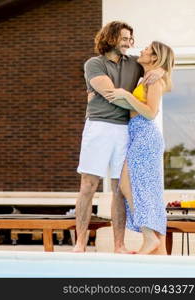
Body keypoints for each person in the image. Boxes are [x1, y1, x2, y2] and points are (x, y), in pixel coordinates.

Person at [73, 21, 162, 253]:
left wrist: (160, 70)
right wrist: (115, 95)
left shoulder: (134, 64)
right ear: (111, 38)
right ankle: (80, 242)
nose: (129, 43)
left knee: (118, 189)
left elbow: (162, 73)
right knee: (88, 185)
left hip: (124, 130)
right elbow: (110, 94)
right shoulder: (94, 64)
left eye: (130, 39)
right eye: (124, 38)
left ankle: (119, 245)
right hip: (99, 127)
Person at [104, 41, 174, 254]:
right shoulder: (148, 75)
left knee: (127, 185)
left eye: (147, 49)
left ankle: (150, 237)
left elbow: (151, 112)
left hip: (145, 134)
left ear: (154, 57)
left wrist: (126, 95)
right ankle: (150, 239)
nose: (141, 50)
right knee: (133, 187)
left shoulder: (153, 80)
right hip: (137, 134)